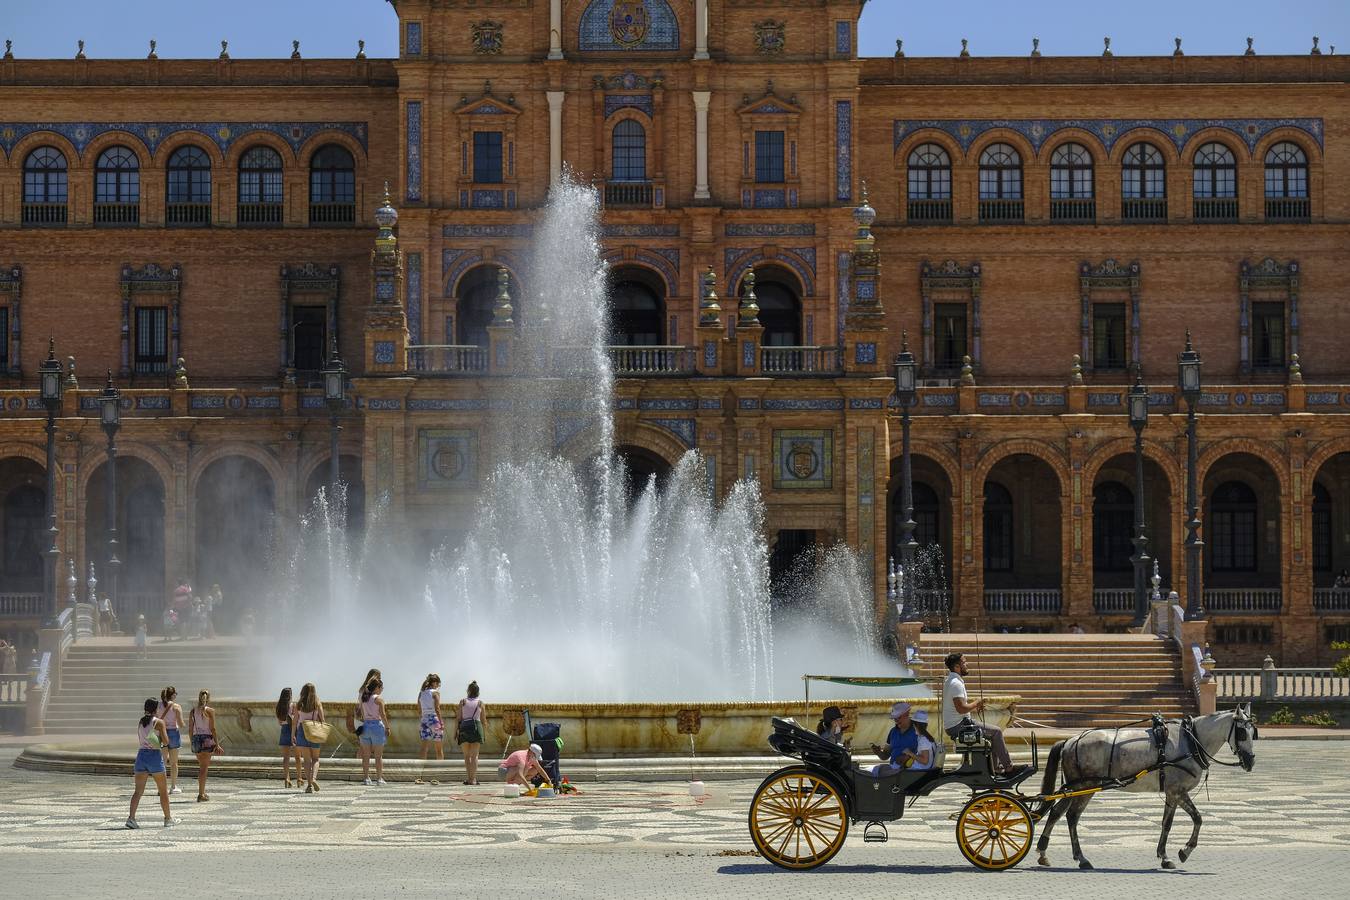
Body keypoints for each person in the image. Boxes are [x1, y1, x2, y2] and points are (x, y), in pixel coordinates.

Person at [942, 652, 1016, 775]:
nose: (967, 665)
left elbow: (960, 708)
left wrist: (975, 706)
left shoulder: (951, 680)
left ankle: (995, 769)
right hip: (959, 726)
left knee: (991, 734)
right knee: (996, 732)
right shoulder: (956, 684)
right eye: (964, 662)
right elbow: (961, 709)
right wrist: (977, 702)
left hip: (957, 724)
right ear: (956, 666)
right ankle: (1008, 767)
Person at [127, 698, 179, 828]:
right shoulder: (159, 722)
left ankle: (131, 818)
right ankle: (168, 818)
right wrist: (160, 741)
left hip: (141, 756)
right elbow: (166, 742)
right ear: (156, 709)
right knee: (163, 791)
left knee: (138, 791)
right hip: (154, 756)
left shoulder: (141, 721)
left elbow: (141, 739)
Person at [869, 701, 920, 775]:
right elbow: (885, 756)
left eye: (899, 717)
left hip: (909, 770)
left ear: (907, 714)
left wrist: (910, 757)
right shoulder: (893, 731)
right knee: (873, 772)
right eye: (894, 718)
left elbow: (925, 756)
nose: (896, 720)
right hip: (893, 770)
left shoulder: (917, 731)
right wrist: (878, 752)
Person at [291, 682, 325, 793]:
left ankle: (309, 785)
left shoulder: (299, 704)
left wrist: (293, 735)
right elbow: (322, 720)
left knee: (306, 760)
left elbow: (294, 721)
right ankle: (314, 778)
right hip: (314, 730)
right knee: (315, 759)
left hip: (302, 730)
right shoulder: (317, 703)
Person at [189, 689, 221, 801]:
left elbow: (190, 729)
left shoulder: (193, 711)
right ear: (209, 699)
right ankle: (201, 794)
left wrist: (192, 741)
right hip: (207, 740)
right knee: (204, 768)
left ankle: (202, 792)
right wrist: (217, 744)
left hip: (196, 739)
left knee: (201, 767)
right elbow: (213, 728)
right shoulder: (210, 711)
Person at [358, 677, 390, 786]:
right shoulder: (379, 699)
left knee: (366, 755)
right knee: (378, 756)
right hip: (377, 727)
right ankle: (379, 779)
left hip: (365, 727)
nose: (382, 689)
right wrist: (387, 727)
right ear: (377, 687)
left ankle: (366, 778)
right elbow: (383, 715)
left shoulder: (364, 698)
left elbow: (362, 714)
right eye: (381, 687)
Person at [457, 680, 487, 785]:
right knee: (475, 756)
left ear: (468, 691)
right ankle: (473, 779)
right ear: (478, 692)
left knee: (466, 756)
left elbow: (459, 718)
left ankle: (468, 779)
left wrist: (455, 732)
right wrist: (484, 732)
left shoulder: (462, 702)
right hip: (476, 729)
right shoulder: (480, 703)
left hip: (464, 728)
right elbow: (483, 720)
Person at [156, 686, 185, 795]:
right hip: (173, 733)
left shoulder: (159, 705)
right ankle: (173, 787)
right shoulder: (176, 707)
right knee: (174, 763)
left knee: (162, 762)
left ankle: (161, 788)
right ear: (173, 695)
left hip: (162, 733)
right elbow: (181, 724)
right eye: (175, 694)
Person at [355, 668, 381, 772]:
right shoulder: (368, 690)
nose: (379, 679)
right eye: (378, 676)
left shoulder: (363, 689)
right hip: (365, 719)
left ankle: (361, 768)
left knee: (363, 745)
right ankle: (361, 768)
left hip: (361, 719)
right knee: (364, 746)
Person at [418, 673, 445, 763]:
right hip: (434, 720)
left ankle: (421, 773)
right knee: (438, 749)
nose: (438, 686)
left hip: (424, 720)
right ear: (435, 683)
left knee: (424, 749)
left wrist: (423, 718)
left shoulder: (421, 693)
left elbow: (419, 709)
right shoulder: (435, 693)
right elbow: (437, 708)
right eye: (438, 684)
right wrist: (441, 722)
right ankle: (440, 771)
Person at [276, 687, 297, 788]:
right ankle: (300, 777)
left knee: (286, 757)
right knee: (298, 756)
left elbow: (280, 722)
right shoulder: (293, 705)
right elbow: (295, 721)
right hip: (292, 730)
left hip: (284, 730)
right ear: (290, 695)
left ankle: (286, 778)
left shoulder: (279, 706)